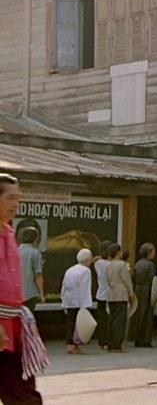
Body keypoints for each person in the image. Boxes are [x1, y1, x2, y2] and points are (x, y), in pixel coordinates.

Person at [0, 173, 46, 404]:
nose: (16, 203)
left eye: (18, 198)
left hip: (14, 328)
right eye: (10, 198)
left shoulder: (9, 234)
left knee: (24, 394)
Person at [60, 248, 93, 355]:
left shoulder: (70, 269)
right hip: (79, 300)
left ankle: (69, 344)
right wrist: (85, 306)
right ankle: (75, 344)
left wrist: (63, 300)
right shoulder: (86, 271)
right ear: (87, 260)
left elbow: (64, 286)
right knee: (78, 325)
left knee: (71, 322)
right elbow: (84, 288)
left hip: (69, 299)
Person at [105, 243, 134, 353]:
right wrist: (131, 294)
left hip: (111, 293)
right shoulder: (122, 265)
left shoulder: (108, 265)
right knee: (120, 321)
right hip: (121, 294)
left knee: (111, 319)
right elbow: (127, 280)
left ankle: (110, 343)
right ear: (118, 252)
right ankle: (116, 345)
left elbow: (107, 279)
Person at [131, 242, 156, 347]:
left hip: (138, 289)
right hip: (147, 289)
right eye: (153, 251)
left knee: (138, 313)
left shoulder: (138, 263)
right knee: (147, 314)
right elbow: (152, 278)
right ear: (148, 253)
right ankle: (145, 338)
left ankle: (136, 337)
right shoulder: (150, 265)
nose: (155, 253)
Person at [18, 226, 45, 314]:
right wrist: (41, 293)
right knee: (28, 318)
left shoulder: (15, 251)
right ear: (36, 239)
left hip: (16, 293)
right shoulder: (35, 253)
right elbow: (38, 275)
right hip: (30, 293)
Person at [93, 240, 112, 350]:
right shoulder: (110, 265)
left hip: (100, 294)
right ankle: (108, 341)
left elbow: (94, 259)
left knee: (101, 320)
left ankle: (102, 341)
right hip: (109, 295)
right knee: (109, 319)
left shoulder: (97, 263)